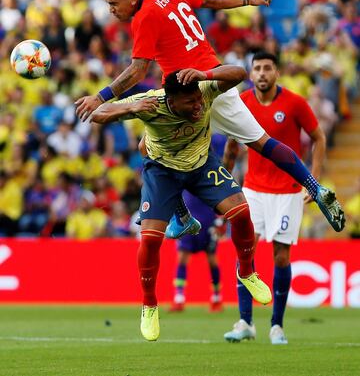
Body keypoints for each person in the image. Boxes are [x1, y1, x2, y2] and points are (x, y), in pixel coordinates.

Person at [75, 0, 345, 235]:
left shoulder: (143, 17)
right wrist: (247, 0)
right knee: (262, 143)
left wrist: (100, 96)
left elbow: (138, 70)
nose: (111, 10)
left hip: (186, 95)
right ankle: (315, 188)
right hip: (216, 81)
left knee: (149, 151)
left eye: (113, 3)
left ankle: (182, 218)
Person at [91, 65, 273, 342]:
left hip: (201, 164)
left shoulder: (203, 89)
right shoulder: (152, 103)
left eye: (199, 99)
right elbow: (97, 113)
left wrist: (205, 75)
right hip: (162, 172)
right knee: (150, 240)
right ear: (171, 100)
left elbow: (238, 74)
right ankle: (150, 305)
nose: (199, 105)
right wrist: (133, 108)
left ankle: (247, 270)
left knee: (240, 211)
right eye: (190, 102)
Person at [223, 52, 326, 345]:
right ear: (251, 73)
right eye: (257, 68)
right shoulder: (242, 103)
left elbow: (319, 138)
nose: (262, 73)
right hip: (252, 189)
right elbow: (231, 147)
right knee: (246, 252)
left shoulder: (294, 103)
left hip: (288, 191)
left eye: (268, 68)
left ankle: (276, 326)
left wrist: (313, 181)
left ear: (277, 73)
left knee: (281, 256)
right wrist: (223, 186)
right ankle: (245, 322)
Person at [169, 191, 225, 313]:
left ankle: (216, 298)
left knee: (212, 260)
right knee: (182, 258)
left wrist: (221, 220)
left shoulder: (206, 175)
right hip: (187, 222)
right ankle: (179, 298)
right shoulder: (181, 176)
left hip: (208, 224)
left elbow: (222, 196)